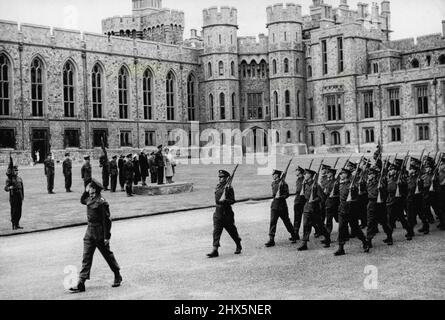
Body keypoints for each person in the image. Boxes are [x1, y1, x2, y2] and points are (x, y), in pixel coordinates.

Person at [69, 178, 122, 293]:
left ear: (96, 189)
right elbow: (82, 200)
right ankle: (81, 282)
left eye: (91, 188)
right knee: (86, 256)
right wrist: (85, 190)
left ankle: (117, 274)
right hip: (89, 231)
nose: (89, 190)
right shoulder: (89, 198)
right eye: (89, 188)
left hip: (99, 232)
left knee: (107, 255)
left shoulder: (101, 202)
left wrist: (107, 237)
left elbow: (107, 221)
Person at [207, 170, 242, 258]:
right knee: (216, 232)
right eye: (219, 177)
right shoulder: (218, 186)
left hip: (226, 213)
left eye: (222, 177)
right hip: (218, 213)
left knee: (232, 231)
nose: (220, 178)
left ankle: (238, 244)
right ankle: (215, 250)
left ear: (226, 178)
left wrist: (225, 201)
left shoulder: (229, 188)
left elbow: (232, 200)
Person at [334, 167, 369, 256]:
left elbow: (357, 198)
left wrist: (352, 199)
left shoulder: (352, 186)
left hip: (351, 210)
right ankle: (341, 248)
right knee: (341, 228)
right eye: (340, 173)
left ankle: (364, 242)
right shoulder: (339, 184)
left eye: (343, 173)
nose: (341, 175)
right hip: (342, 209)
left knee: (355, 228)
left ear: (347, 175)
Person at [298, 168, 330, 251]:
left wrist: (314, 200)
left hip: (314, 209)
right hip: (307, 207)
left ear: (311, 175)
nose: (304, 175)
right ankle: (304, 243)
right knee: (305, 225)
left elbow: (322, 197)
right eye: (304, 174)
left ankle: (327, 237)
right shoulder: (305, 184)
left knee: (320, 225)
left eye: (306, 174)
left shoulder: (316, 185)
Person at [265, 170, 297, 247]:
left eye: (274, 174)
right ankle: (271, 239)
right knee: (273, 222)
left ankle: (293, 235)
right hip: (274, 206)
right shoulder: (273, 183)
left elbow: (287, 195)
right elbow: (273, 194)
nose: (273, 176)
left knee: (286, 221)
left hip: (282, 206)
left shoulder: (283, 183)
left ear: (277, 175)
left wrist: (280, 196)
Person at [365, 166, 392, 251]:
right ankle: (369, 241)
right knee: (370, 223)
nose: (369, 176)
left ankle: (389, 237)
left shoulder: (380, 183)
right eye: (368, 174)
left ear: (374, 175)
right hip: (371, 203)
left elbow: (386, 193)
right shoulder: (368, 183)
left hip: (380, 204)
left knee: (384, 222)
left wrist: (381, 188)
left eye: (370, 174)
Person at [386, 159, 414, 242]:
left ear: (396, 170)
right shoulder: (388, 178)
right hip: (391, 200)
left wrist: (401, 184)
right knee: (390, 220)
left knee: (401, 219)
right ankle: (389, 237)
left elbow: (406, 190)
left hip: (398, 201)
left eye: (392, 169)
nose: (390, 171)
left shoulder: (401, 178)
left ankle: (409, 232)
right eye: (390, 169)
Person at [5, 165, 24, 230]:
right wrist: (9, 188)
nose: (16, 171)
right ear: (12, 171)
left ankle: (17, 224)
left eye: (17, 170)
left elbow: (22, 188)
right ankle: (14, 224)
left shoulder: (19, 178)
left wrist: (22, 196)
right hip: (14, 196)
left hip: (19, 196)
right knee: (14, 211)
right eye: (15, 170)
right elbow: (6, 188)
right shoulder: (9, 179)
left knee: (19, 211)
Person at [324, 167, 340, 243]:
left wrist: (333, 196)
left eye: (328, 173)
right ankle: (327, 238)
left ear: (332, 174)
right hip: (328, 203)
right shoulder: (328, 182)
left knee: (339, 220)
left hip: (335, 203)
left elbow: (339, 194)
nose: (327, 174)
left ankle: (343, 234)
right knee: (328, 221)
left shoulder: (336, 182)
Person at [292, 166, 306, 241]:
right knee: (297, 218)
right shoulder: (298, 180)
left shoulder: (304, 180)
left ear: (300, 171)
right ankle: (295, 234)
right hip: (297, 200)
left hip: (302, 201)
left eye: (296, 170)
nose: (295, 171)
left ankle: (318, 229)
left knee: (311, 218)